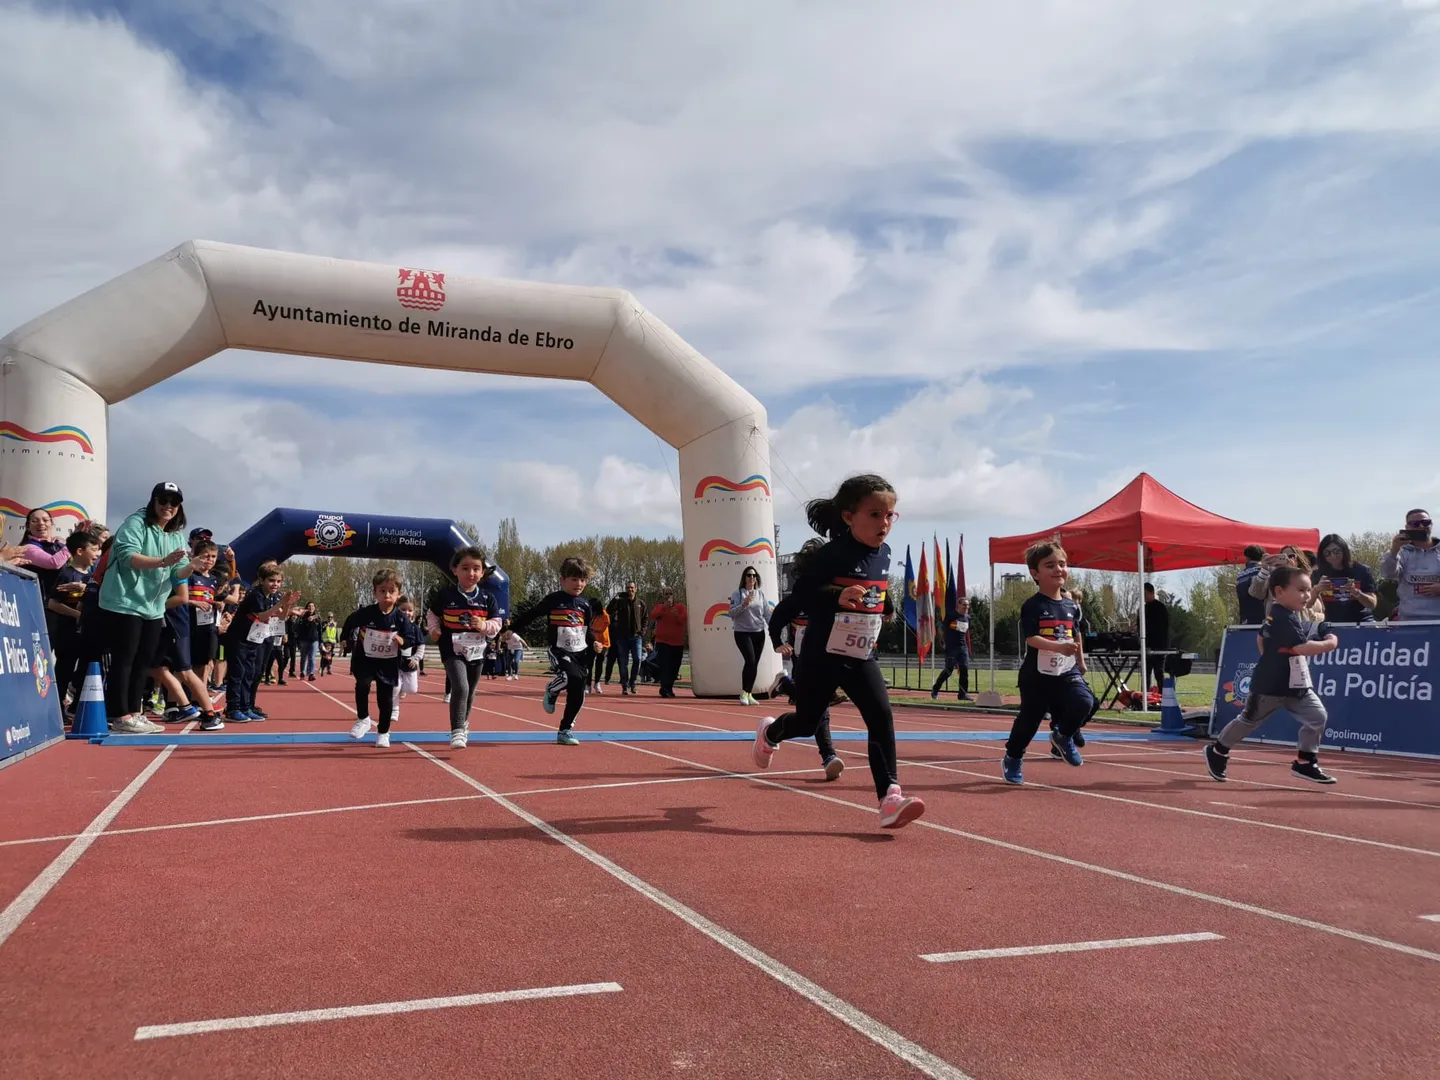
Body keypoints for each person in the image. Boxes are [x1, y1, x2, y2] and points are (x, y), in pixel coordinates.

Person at [751, 474, 924, 829]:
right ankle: (770, 733)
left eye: (890, 515)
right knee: (806, 723)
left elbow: (876, 586)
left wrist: (886, 605)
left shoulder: (885, 553)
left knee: (881, 716)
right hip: (821, 655)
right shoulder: (830, 555)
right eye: (875, 515)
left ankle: (889, 798)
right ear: (849, 517)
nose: (885, 523)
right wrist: (836, 596)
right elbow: (801, 595)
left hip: (860, 655)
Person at [1205, 566, 1340, 785]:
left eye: (1309, 590)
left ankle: (1305, 762)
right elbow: (1302, 648)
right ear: (1279, 591)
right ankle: (1217, 751)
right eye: (1301, 590)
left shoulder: (1284, 614)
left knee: (1317, 716)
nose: (1307, 595)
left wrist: (1271, 655)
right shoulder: (1282, 617)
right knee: (1248, 722)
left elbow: (1261, 638)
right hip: (1270, 687)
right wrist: (1330, 643)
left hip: (1295, 685)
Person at [97, 483, 195, 734]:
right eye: (163, 500)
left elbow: (177, 573)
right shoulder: (136, 523)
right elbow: (127, 556)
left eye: (174, 502)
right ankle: (119, 715)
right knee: (125, 659)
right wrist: (162, 561)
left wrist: (191, 566)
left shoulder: (175, 535)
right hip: (125, 601)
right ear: (153, 501)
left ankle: (135, 712)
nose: (168, 506)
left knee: (144, 661)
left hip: (154, 607)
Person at [1000, 542, 1097, 786]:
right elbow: (1031, 638)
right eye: (1050, 565)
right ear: (1035, 573)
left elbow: (1076, 635)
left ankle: (1062, 736)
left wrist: (1080, 660)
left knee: (1086, 701)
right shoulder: (1033, 605)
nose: (1058, 569)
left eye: (1062, 564)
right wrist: (1057, 647)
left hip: (1066, 671)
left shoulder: (1072, 606)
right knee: (1029, 720)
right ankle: (1013, 757)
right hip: (1037, 675)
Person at [767, 537, 842, 781]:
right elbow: (776, 619)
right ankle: (828, 755)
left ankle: (785, 685)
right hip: (804, 656)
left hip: (828, 654)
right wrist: (778, 644)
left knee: (812, 709)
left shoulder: (836, 592)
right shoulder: (801, 595)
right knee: (819, 705)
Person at [509, 556, 604, 745]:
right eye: (574, 579)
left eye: (583, 580)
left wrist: (594, 642)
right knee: (569, 677)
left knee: (579, 690)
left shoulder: (585, 604)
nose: (579, 584)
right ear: (563, 580)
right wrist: (513, 629)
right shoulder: (554, 600)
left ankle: (565, 730)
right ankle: (552, 690)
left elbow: (587, 630)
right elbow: (532, 614)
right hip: (559, 650)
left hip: (579, 653)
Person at [426, 547, 503, 749]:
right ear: (455, 570)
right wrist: (434, 629)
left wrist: (483, 626)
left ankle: (464, 722)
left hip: (477, 651)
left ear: (482, 572)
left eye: (476, 568)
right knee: (461, 687)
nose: (471, 573)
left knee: (471, 689)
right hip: (452, 649)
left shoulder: (488, 598)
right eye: (465, 568)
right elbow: (432, 614)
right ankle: (457, 730)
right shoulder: (446, 595)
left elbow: (497, 624)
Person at [344, 569, 421, 748]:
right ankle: (363, 719)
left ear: (398, 594)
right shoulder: (366, 612)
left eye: (391, 591)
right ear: (375, 593)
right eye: (382, 591)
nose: (387, 595)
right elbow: (349, 622)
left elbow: (411, 638)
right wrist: (344, 639)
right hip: (365, 659)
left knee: (385, 699)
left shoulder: (400, 618)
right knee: (362, 685)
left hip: (388, 662)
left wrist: (402, 641)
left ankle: (383, 732)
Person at [223, 562, 300, 723]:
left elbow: (281, 617)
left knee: (250, 673)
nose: (275, 584)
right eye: (271, 581)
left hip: (253, 640)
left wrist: (287, 604)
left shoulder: (272, 596)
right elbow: (263, 616)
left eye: (278, 581)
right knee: (237, 673)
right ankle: (232, 708)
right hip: (238, 638)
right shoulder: (255, 595)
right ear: (262, 580)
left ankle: (245, 707)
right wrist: (280, 603)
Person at [47, 528, 101, 716]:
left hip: (88, 633)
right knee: (64, 670)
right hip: (67, 632)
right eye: (94, 549)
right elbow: (53, 603)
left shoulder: (93, 576)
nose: (97, 554)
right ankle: (56, 710)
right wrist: (77, 615)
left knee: (85, 670)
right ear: (79, 551)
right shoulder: (67, 574)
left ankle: (75, 707)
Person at [1381, 509, 1440, 622]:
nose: (1421, 526)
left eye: (1426, 522)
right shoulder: (1401, 552)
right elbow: (1388, 574)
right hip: (1409, 620)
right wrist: (1394, 551)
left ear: (1431, 525)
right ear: (1407, 527)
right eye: (1415, 524)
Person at [1313, 534, 1378, 624]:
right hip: (1332, 623)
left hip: (1362, 622)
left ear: (1344, 550)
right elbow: (1306, 605)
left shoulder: (1361, 570)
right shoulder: (1318, 574)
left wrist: (1356, 592)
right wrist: (1317, 589)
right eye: (1327, 553)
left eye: (1336, 551)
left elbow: (1372, 604)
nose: (1333, 556)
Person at [728, 567, 768, 705]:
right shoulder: (737, 594)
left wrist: (774, 627)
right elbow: (731, 613)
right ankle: (744, 693)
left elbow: (767, 613)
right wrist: (744, 604)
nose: (752, 578)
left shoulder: (760, 594)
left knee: (754, 663)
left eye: (754, 575)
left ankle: (749, 693)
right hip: (742, 633)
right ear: (744, 578)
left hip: (759, 632)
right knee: (750, 660)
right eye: (749, 575)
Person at [387, 594, 425, 734]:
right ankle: (394, 709)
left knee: (412, 689)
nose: (406, 613)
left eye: (410, 610)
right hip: (394, 662)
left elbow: (421, 646)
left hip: (409, 663)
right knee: (394, 688)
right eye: (403, 610)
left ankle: (403, 690)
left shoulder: (415, 629)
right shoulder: (392, 626)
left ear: (414, 612)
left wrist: (416, 659)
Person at [605, 582, 645, 695]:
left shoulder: (640, 603)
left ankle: (633, 682)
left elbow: (645, 618)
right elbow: (608, 611)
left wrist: (642, 631)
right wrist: (615, 598)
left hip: (636, 637)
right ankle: (624, 685)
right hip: (622, 637)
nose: (630, 590)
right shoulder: (620, 602)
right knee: (623, 662)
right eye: (628, 588)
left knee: (637, 659)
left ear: (635, 589)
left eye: (632, 588)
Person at [649, 587, 688, 698]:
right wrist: (664, 608)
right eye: (666, 594)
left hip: (677, 643)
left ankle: (668, 688)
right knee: (664, 666)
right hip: (662, 642)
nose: (668, 596)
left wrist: (675, 613)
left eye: (670, 594)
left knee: (674, 667)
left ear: (673, 595)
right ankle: (665, 688)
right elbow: (653, 616)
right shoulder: (659, 606)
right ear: (663, 595)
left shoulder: (680, 607)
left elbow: (683, 620)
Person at [931, 596, 972, 701]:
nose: (966, 607)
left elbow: (966, 632)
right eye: (964, 605)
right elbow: (941, 629)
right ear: (958, 605)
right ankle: (935, 689)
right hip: (951, 647)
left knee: (964, 669)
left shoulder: (968, 618)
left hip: (963, 647)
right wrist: (942, 641)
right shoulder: (951, 616)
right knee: (949, 670)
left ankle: (962, 694)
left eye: (968, 605)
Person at [1141, 582, 1170, 694]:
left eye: (1145, 594)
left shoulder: (1160, 608)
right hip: (1146, 646)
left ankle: (1162, 697)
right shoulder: (1143, 608)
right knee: (1145, 673)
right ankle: (1144, 697)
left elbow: (1161, 629)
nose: (1143, 597)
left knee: (1159, 672)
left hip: (1159, 646)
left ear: (1151, 593)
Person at [1235, 546, 1268, 625]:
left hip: (1245, 621)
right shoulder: (1264, 571)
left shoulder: (1240, 576)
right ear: (1262, 557)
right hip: (1263, 621)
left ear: (1247, 558)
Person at [589, 605, 610, 692]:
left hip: (603, 642)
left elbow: (603, 627)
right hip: (592, 641)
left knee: (599, 662)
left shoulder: (605, 615)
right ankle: (588, 684)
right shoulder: (591, 614)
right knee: (589, 663)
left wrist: (592, 629)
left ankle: (597, 682)